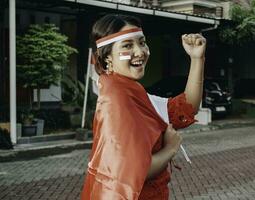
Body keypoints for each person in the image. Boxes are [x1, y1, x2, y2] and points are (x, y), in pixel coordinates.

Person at [81, 14, 206, 200]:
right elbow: (135, 170)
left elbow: (184, 109)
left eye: (142, 42)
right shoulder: (116, 100)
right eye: (127, 46)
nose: (140, 52)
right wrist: (170, 148)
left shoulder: (126, 91)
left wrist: (197, 59)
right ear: (107, 56)